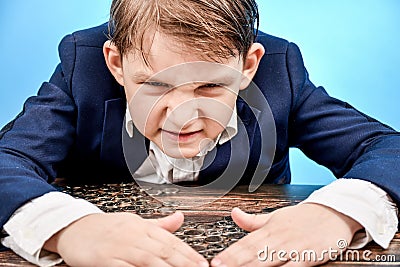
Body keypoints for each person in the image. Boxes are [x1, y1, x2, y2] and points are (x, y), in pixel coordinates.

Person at [0, 0, 399, 266]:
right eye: (154, 86)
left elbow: (387, 149)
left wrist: (337, 215)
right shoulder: (81, 68)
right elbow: (7, 161)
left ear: (248, 65)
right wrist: (70, 228)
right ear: (116, 63)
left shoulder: (282, 74)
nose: (181, 117)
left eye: (209, 87)